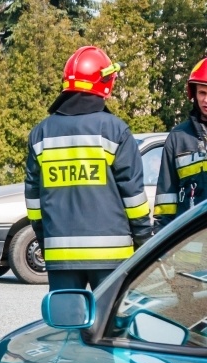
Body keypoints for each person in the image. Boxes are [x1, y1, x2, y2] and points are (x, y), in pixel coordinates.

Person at [25, 46, 153, 291]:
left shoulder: (40, 134)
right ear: (105, 83)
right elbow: (134, 197)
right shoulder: (115, 130)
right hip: (112, 257)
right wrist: (144, 242)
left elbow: (33, 200)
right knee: (110, 325)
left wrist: (44, 241)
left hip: (59, 255)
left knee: (68, 324)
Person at [154, 58, 207, 230]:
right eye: (202, 93)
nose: (206, 100)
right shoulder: (178, 138)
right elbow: (166, 201)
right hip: (189, 246)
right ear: (194, 94)